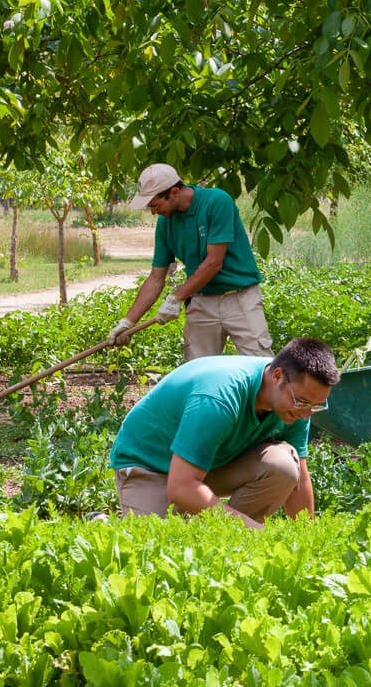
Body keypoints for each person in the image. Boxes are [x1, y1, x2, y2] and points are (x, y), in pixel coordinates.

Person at [108, 337, 340, 526]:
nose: (307, 413)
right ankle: (106, 521)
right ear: (277, 376)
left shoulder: (296, 401)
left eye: (316, 405)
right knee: (159, 551)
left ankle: (212, 532)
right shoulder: (219, 398)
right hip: (151, 466)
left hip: (209, 463)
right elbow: (181, 486)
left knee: (284, 466)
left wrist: (307, 542)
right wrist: (249, 529)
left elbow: (300, 476)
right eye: (303, 402)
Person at [109, 163, 271, 360]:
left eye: (154, 205)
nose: (153, 212)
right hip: (201, 302)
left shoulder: (217, 202)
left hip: (240, 299)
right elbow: (156, 278)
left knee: (262, 369)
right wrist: (128, 322)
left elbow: (214, 262)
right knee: (197, 372)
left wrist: (176, 297)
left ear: (174, 192)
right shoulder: (165, 224)